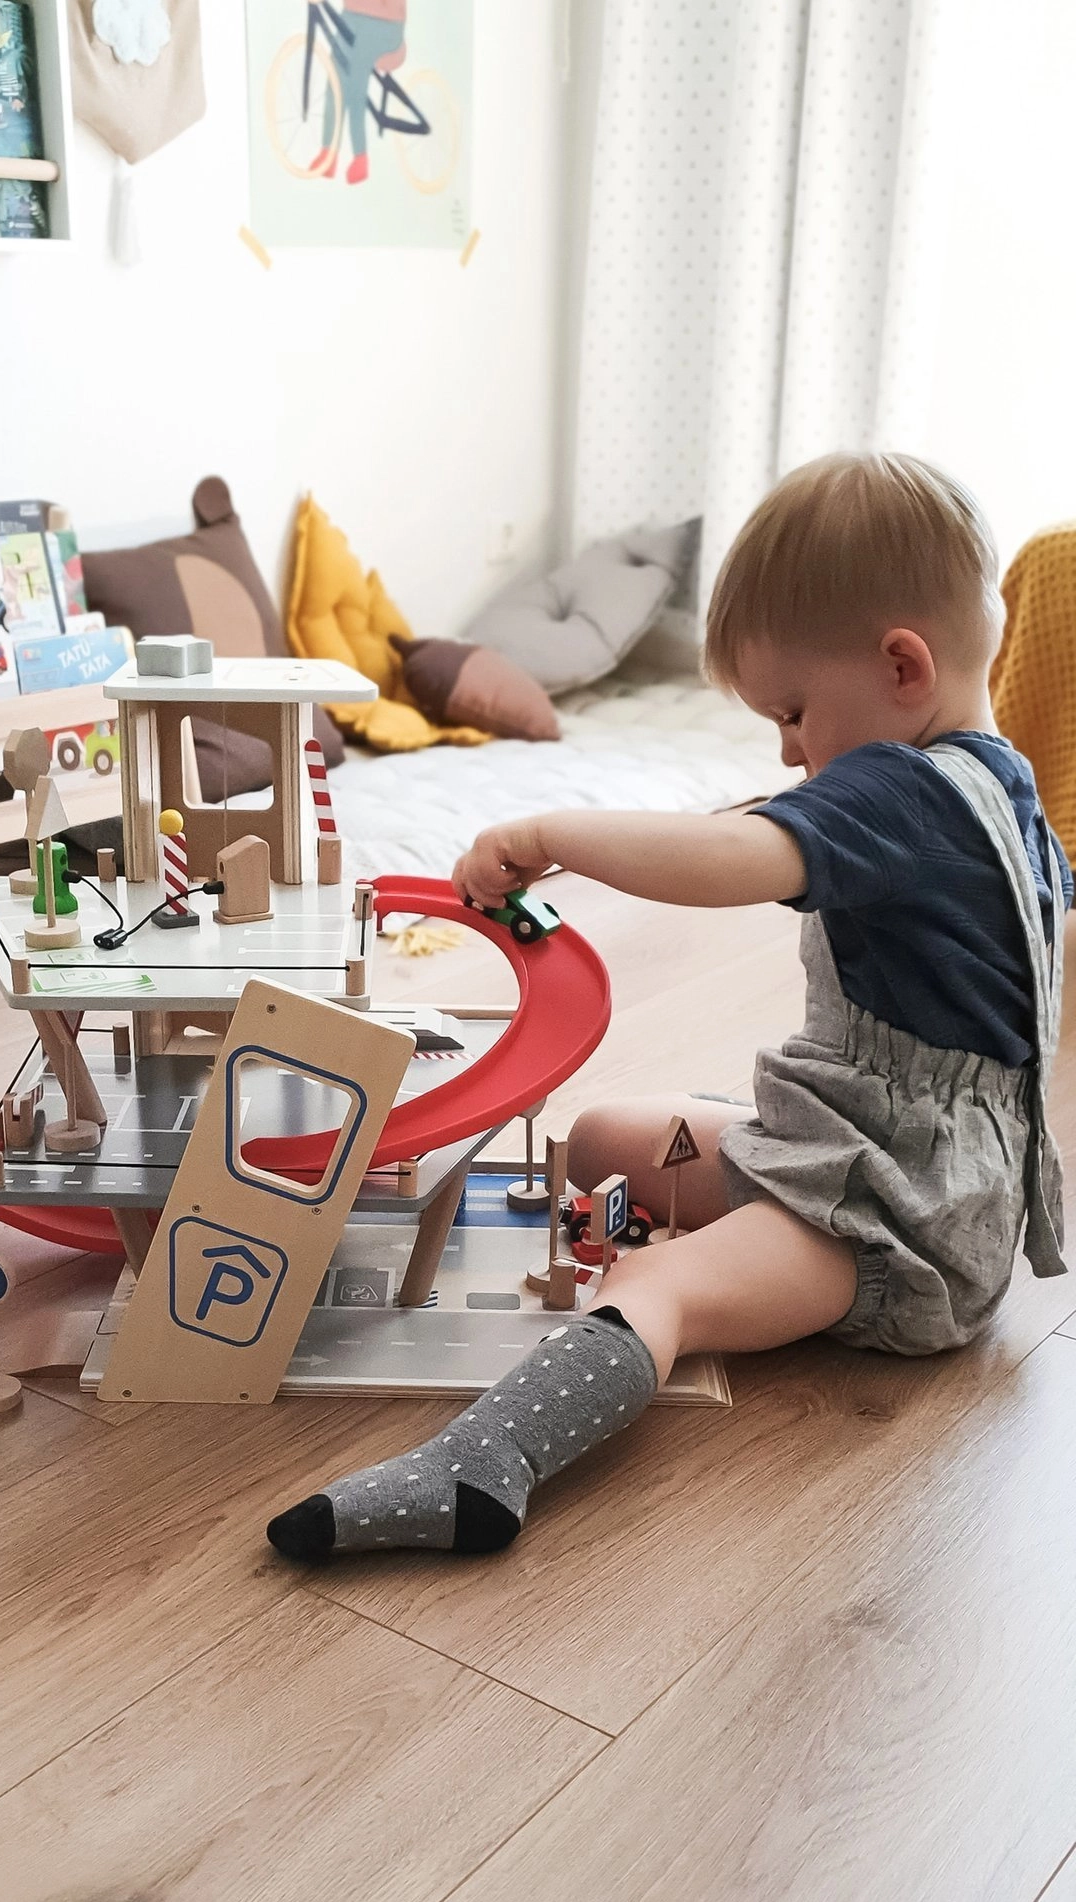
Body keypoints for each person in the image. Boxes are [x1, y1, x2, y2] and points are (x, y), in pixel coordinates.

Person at [267, 451, 1071, 1563]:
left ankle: (480, 1468)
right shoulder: (998, 781)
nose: (787, 750)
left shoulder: (900, 790)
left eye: (793, 712)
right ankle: (698, 1277)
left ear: (901, 665)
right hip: (866, 1151)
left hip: (895, 1226)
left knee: (658, 1279)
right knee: (605, 1136)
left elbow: (734, 857)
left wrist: (551, 832)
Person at [309, 0, 408, 185]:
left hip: (383, 21)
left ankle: (360, 157)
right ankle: (328, 151)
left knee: (356, 82)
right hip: (353, 16)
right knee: (335, 77)